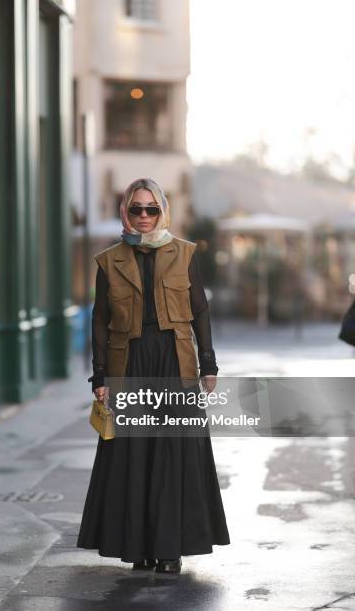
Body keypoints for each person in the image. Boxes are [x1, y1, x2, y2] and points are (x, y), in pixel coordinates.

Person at [76, 178, 230, 573]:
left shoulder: (185, 253)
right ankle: (138, 547)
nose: (144, 216)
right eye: (136, 209)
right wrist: (100, 376)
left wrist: (208, 363)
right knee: (133, 454)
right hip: (128, 363)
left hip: (174, 362)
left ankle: (169, 549)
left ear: (163, 211)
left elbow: (199, 311)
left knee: (173, 454)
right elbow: (100, 321)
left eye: (151, 209)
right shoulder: (108, 261)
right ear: (125, 212)